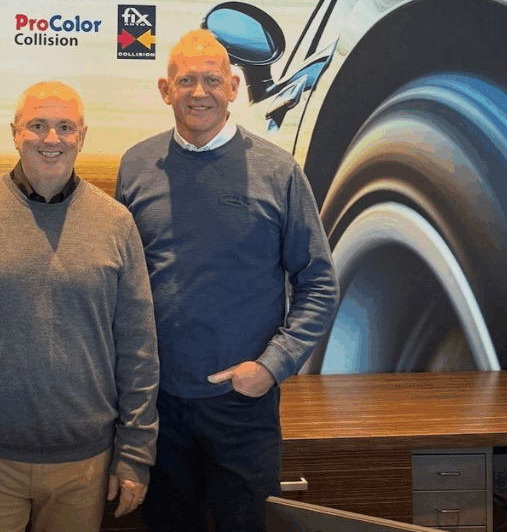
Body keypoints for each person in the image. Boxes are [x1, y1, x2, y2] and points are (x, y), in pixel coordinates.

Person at [115, 29, 340, 532]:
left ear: (234, 87)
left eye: (212, 80)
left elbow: (320, 283)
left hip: (243, 406)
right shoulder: (135, 167)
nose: (199, 92)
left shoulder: (278, 171)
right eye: (186, 80)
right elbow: (123, 283)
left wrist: (272, 367)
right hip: (159, 406)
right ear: (165, 90)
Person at [0, 81, 159, 532]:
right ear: (15, 133)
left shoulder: (116, 222)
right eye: (37, 125)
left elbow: (139, 348)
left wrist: (135, 452)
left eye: (65, 127)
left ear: (82, 137)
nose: (52, 139)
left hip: (85, 465)